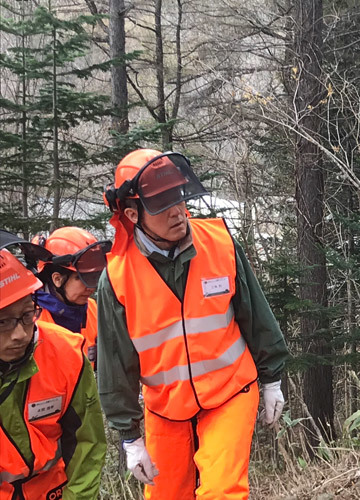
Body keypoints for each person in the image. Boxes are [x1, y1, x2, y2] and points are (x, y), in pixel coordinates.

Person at [97, 148, 290, 499]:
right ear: (131, 212)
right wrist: (130, 437)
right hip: (166, 407)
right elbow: (115, 365)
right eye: (160, 203)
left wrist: (272, 377)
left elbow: (255, 313)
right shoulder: (117, 279)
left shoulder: (218, 243)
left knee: (221, 492)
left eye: (177, 195)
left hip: (230, 392)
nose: (176, 210)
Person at [0, 234, 106, 499]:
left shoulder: (67, 351)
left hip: (52, 490)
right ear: (57, 279)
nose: (20, 335)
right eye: (2, 322)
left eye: (27, 315)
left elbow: (87, 446)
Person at [33, 227, 111, 369]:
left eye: (94, 278)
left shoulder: (94, 310)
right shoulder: (31, 321)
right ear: (57, 279)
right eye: (83, 278)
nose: (90, 288)